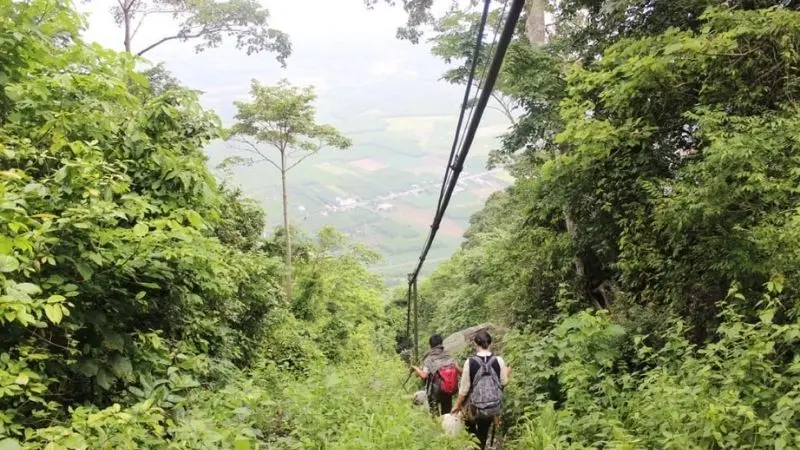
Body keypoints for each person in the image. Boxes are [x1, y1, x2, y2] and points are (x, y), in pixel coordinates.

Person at [451, 330, 511, 449]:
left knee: (469, 427)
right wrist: (507, 372)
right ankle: (481, 444)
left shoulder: (470, 362)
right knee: (483, 433)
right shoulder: (499, 360)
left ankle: (474, 444)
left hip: (475, 407)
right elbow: (504, 382)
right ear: (490, 343)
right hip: (492, 407)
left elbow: (464, 389)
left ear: (475, 344)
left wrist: (457, 405)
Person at [411, 334, 461, 416]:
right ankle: (446, 428)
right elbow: (460, 371)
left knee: (434, 414)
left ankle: (436, 427)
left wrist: (416, 368)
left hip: (434, 393)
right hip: (448, 390)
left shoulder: (429, 358)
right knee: (447, 414)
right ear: (441, 344)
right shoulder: (449, 357)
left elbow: (424, 375)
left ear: (430, 345)